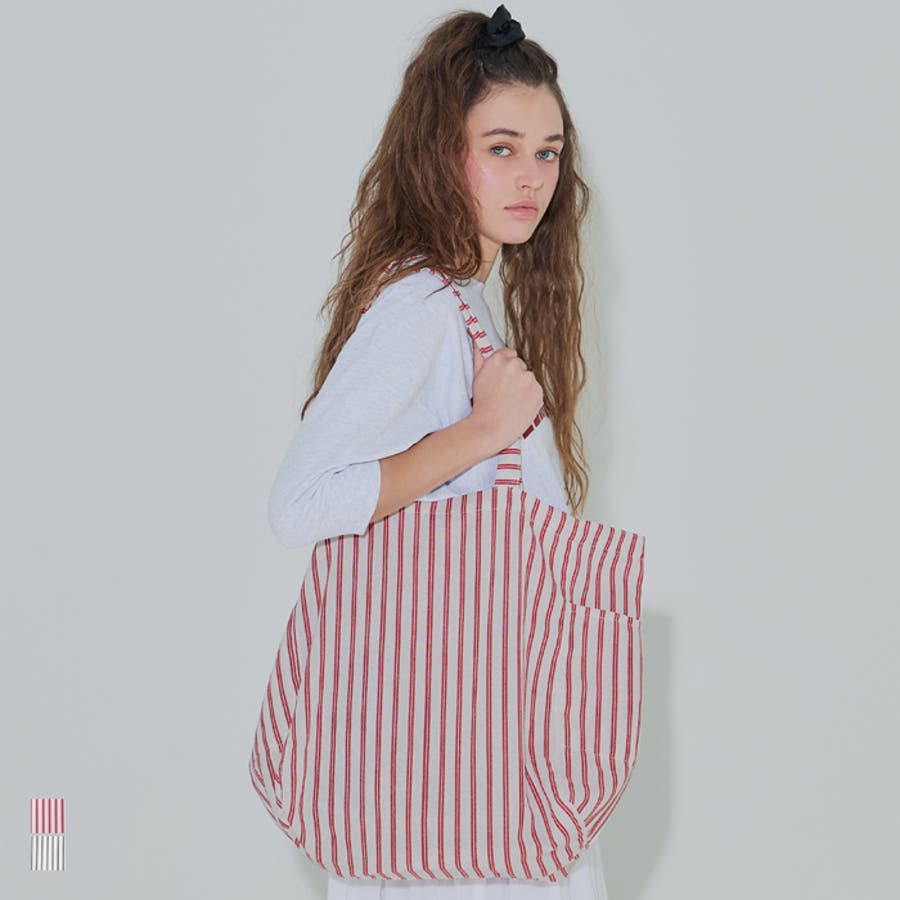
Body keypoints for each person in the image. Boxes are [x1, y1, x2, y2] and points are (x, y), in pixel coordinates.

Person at [266, 6, 610, 899]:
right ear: (439, 153)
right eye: (501, 147)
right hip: (455, 782)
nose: (532, 176)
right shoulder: (421, 308)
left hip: (462, 758)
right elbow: (301, 503)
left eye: (548, 151)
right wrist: (483, 433)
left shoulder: (461, 303)